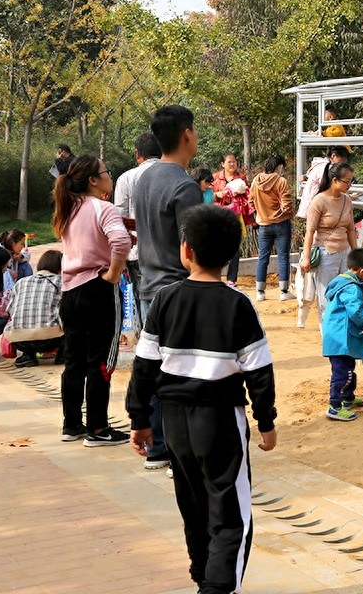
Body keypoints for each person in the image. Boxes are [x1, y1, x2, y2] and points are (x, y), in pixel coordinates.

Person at [126, 205, 278, 594]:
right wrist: (266, 421)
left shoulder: (164, 299)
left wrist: (139, 419)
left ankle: (202, 577)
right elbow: (259, 371)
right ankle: (217, 587)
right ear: (230, 255)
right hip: (220, 419)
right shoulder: (237, 304)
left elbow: (144, 366)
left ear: (186, 250)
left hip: (174, 421)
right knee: (230, 512)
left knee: (193, 504)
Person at [136, 105, 204, 469]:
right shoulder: (184, 185)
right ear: (186, 134)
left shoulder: (144, 178)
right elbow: (189, 251)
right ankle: (176, 448)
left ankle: (158, 446)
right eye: (195, 129)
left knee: (155, 367)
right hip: (177, 289)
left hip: (148, 287)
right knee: (182, 371)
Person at [51, 154, 132, 447]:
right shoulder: (103, 208)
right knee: (101, 360)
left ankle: (72, 424)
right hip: (98, 289)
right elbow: (120, 242)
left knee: (74, 361)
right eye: (106, 171)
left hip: (70, 292)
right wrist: (113, 275)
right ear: (94, 180)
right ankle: (98, 429)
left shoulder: (67, 210)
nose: (110, 175)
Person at [299, 161, 359, 329]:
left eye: (351, 181)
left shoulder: (347, 201)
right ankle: (329, 335)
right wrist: (306, 257)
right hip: (326, 254)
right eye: (347, 181)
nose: (349, 185)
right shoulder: (318, 201)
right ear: (335, 180)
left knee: (347, 294)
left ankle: (346, 333)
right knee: (327, 298)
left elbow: (351, 229)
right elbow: (310, 232)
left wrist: (355, 254)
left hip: (345, 253)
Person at [321, 248, 363, 422]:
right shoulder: (351, 287)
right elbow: (355, 310)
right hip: (341, 339)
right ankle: (335, 406)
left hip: (339, 336)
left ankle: (347, 398)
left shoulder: (342, 281)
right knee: (343, 373)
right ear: (362, 270)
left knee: (348, 368)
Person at [113, 131, 163, 318]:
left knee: (143, 297)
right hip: (169, 252)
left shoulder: (126, 178)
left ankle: (147, 333)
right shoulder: (176, 173)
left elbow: (120, 219)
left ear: (137, 153)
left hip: (138, 251)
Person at [4, 249, 66, 368]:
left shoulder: (21, 282)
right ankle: (63, 354)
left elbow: (10, 310)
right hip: (51, 339)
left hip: (19, 340)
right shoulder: (60, 281)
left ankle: (28, 356)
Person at [249, 154, 295, 302]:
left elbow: (250, 202)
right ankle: (284, 291)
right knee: (283, 257)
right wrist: (287, 213)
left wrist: (261, 213)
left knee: (263, 257)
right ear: (279, 166)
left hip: (263, 224)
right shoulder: (281, 181)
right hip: (281, 224)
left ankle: (260, 292)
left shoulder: (256, 181)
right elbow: (287, 205)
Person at [212, 153, 252, 288]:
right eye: (229, 162)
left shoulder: (241, 178)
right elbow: (207, 193)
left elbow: (248, 194)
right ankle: (215, 275)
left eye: (234, 161)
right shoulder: (215, 177)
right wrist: (217, 195)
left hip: (236, 215)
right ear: (222, 164)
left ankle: (232, 279)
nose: (232, 164)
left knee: (235, 246)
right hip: (219, 215)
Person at [297, 146, 349, 220]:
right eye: (342, 160)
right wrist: (348, 196)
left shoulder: (320, 165)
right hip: (316, 207)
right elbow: (330, 187)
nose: (343, 164)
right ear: (333, 156)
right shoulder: (326, 167)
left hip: (313, 206)